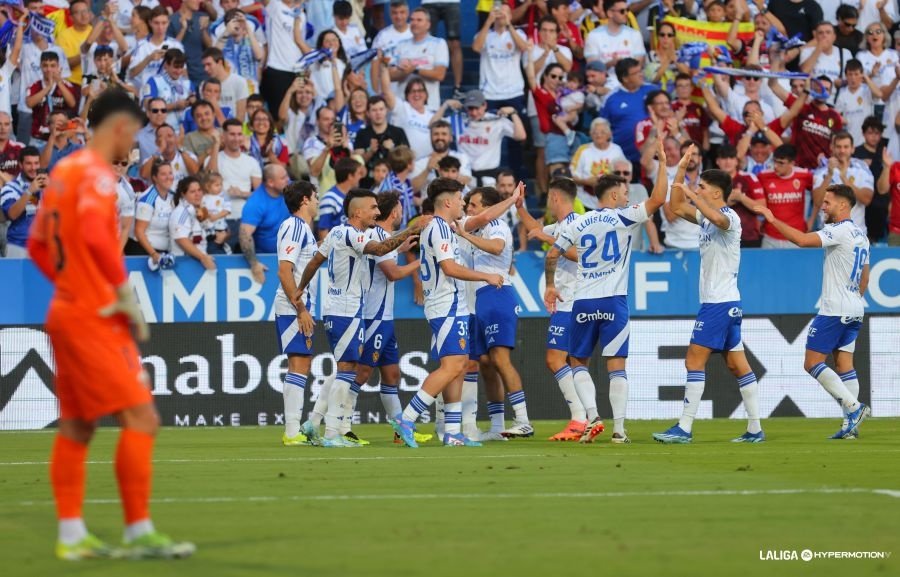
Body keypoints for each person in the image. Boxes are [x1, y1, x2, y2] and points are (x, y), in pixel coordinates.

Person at [27, 88, 194, 560]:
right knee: (142, 417)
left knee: (78, 426)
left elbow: (40, 246)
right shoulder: (98, 176)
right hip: (94, 315)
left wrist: (71, 285)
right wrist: (119, 293)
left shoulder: (62, 173)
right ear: (119, 127)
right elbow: (102, 242)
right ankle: (139, 530)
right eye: (134, 133)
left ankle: (72, 535)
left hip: (67, 309)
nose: (133, 144)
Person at [544, 143, 669, 444]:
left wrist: (550, 286)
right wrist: (663, 163)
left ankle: (592, 417)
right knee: (617, 367)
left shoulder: (579, 221)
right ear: (613, 195)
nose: (628, 197)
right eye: (625, 193)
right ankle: (619, 431)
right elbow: (658, 199)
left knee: (578, 363)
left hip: (584, 300)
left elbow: (552, 254)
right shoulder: (623, 217)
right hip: (614, 301)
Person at [294, 189, 426, 447]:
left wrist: (301, 288)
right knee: (348, 371)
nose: (377, 212)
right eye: (373, 208)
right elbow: (378, 249)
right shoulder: (353, 234)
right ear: (358, 212)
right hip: (347, 310)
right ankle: (333, 432)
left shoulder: (335, 233)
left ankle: (317, 423)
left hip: (338, 309)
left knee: (347, 369)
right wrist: (412, 230)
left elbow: (313, 263)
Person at [652, 149, 764, 444]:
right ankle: (755, 429)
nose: (696, 190)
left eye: (701, 187)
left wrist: (692, 192)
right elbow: (676, 207)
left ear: (716, 193)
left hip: (718, 303)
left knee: (693, 361)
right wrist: (681, 170)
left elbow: (719, 218)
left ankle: (685, 428)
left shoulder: (731, 218)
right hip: (725, 303)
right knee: (737, 365)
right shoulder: (706, 217)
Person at [390, 178, 505, 448]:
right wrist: (485, 276)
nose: (464, 202)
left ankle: (452, 431)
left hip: (453, 305)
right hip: (446, 305)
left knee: (460, 366)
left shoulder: (444, 228)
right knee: (451, 366)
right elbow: (450, 268)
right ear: (448, 202)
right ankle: (407, 418)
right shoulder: (439, 229)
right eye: (461, 198)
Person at [753, 185, 871, 439]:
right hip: (855, 307)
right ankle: (850, 427)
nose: (823, 206)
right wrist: (853, 299)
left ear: (843, 205)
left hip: (834, 309)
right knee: (844, 365)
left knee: (812, 363)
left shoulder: (838, 230)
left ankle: (854, 408)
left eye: (828, 202)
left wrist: (773, 219)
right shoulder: (861, 235)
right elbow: (865, 278)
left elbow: (801, 240)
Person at [352, 191, 431, 444]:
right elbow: (392, 273)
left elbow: (387, 258)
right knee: (362, 373)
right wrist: (420, 262)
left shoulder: (385, 238)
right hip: (374, 315)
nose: (402, 212)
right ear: (395, 212)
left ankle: (400, 431)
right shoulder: (379, 235)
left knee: (392, 374)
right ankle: (339, 424)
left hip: (384, 316)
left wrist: (401, 246)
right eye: (400, 207)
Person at [455, 187, 533, 439]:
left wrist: (466, 238)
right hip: (480, 299)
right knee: (485, 364)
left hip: (498, 294)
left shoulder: (497, 226)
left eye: (474, 205)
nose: (469, 209)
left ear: (488, 207)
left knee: (500, 360)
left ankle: (523, 420)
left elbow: (497, 248)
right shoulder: (470, 226)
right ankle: (498, 427)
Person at [514, 177, 586, 440]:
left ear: (555, 198)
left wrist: (547, 238)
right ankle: (587, 418)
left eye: (547, 198)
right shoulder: (565, 224)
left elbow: (582, 254)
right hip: (571, 301)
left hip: (573, 300)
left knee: (555, 359)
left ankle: (579, 418)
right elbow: (537, 229)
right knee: (574, 362)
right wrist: (520, 207)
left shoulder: (578, 223)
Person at [274, 180, 320, 446]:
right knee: (299, 362)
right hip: (293, 306)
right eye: (314, 196)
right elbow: (284, 270)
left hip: (299, 305)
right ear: (304, 200)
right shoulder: (293, 226)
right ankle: (291, 432)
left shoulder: (304, 228)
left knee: (302, 362)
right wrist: (300, 308)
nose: (317, 201)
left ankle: (293, 430)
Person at [443, 90, 526, 185]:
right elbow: (432, 125)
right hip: (464, 176)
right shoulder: (458, 120)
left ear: (485, 105)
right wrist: (445, 105)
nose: (474, 113)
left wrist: (513, 113)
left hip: (489, 178)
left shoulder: (496, 120)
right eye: (470, 109)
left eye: (477, 108)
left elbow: (521, 136)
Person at [206, 118, 262, 246]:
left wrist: (241, 193)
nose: (236, 138)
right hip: (219, 219)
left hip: (246, 219)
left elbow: (260, 195)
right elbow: (209, 178)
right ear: (223, 136)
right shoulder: (213, 158)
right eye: (232, 134)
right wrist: (216, 145)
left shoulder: (251, 162)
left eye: (239, 134)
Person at [600, 58, 656, 179]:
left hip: (653, 156)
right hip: (624, 159)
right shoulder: (610, 99)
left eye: (640, 70)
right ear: (625, 78)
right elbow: (603, 126)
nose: (641, 74)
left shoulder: (653, 91)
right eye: (636, 73)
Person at [812, 132, 875, 234]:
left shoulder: (862, 168)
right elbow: (817, 202)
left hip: (856, 234)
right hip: (829, 235)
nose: (842, 150)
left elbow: (866, 199)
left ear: (852, 149)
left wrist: (844, 178)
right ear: (832, 148)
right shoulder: (822, 170)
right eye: (838, 147)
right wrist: (829, 175)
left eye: (846, 147)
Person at [239, 164, 292, 283]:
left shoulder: (291, 189)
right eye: (283, 178)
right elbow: (244, 235)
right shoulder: (255, 203)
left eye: (287, 175)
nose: (288, 179)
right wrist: (254, 264)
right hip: (268, 260)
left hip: (292, 256)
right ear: (271, 183)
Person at [755, 144, 815, 248]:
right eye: (774, 161)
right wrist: (757, 219)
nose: (776, 166)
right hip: (770, 236)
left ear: (792, 163)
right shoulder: (763, 176)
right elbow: (757, 200)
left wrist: (812, 219)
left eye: (781, 163)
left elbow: (818, 196)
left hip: (796, 236)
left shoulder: (805, 175)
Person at [388, 8, 449, 107]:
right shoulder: (401, 45)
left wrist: (414, 70)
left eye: (419, 20)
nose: (414, 23)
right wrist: (404, 72)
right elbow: (390, 76)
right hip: (403, 107)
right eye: (412, 20)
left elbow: (440, 75)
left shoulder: (438, 44)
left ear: (428, 24)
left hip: (429, 106)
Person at [584, 0, 646, 93]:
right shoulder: (593, 36)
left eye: (627, 10)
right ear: (610, 13)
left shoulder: (634, 34)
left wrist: (624, 67)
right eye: (622, 11)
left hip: (631, 83)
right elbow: (592, 70)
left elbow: (639, 63)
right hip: (605, 84)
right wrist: (611, 63)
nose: (626, 14)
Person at [715, 144, 766, 248]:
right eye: (724, 158)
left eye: (731, 157)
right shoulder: (710, 182)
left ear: (736, 161)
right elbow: (703, 211)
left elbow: (763, 209)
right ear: (717, 161)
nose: (728, 161)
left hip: (748, 237)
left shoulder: (749, 178)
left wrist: (741, 198)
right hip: (720, 238)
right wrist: (726, 202)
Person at [1, 147, 46, 258]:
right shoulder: (10, 187)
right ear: (21, 165)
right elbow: (12, 214)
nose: (33, 168)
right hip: (17, 247)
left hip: (43, 247)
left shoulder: (47, 186)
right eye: (29, 164)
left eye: (36, 163)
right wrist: (29, 191)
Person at [570, 118, 624, 209]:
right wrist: (586, 182)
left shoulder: (616, 150)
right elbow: (572, 177)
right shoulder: (583, 150)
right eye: (595, 132)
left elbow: (624, 173)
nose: (598, 135)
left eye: (602, 132)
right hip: (586, 202)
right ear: (590, 134)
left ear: (609, 134)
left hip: (611, 203)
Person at [353, 95, 410, 175]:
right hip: (367, 183)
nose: (378, 113)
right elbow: (356, 163)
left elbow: (407, 161)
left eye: (381, 109)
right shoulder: (362, 134)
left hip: (394, 182)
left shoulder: (398, 132)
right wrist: (370, 152)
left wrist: (392, 150)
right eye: (374, 110)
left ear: (386, 110)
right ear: (368, 113)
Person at [131, 161, 175, 261]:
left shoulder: (173, 196)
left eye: (170, 173)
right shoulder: (148, 199)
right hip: (145, 253)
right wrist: (154, 254)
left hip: (164, 252)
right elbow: (139, 232)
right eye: (163, 174)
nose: (168, 177)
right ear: (155, 178)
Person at [168, 176, 215, 270]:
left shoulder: (198, 210)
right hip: (184, 264)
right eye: (192, 192)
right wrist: (203, 257)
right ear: (183, 194)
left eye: (199, 190)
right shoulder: (181, 212)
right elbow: (181, 239)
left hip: (197, 262)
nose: (198, 194)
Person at [201, 47, 250, 124]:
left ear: (220, 62)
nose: (206, 69)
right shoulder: (203, 85)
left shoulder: (239, 82)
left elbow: (240, 117)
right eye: (204, 66)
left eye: (209, 64)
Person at [318, 157, 363, 239]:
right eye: (359, 173)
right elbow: (323, 231)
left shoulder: (355, 197)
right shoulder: (329, 199)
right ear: (350, 176)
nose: (361, 177)